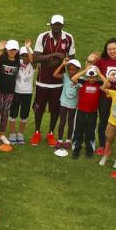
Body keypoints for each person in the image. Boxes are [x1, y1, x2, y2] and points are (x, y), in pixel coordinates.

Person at [31, 14, 76, 146]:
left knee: (55, 110)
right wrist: (56, 56)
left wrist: (51, 62)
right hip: (42, 81)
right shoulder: (43, 37)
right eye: (54, 24)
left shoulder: (68, 38)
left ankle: (51, 133)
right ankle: (37, 132)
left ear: (62, 25)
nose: (56, 27)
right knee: (39, 109)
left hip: (58, 83)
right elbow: (36, 58)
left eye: (59, 25)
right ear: (50, 24)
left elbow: (71, 58)